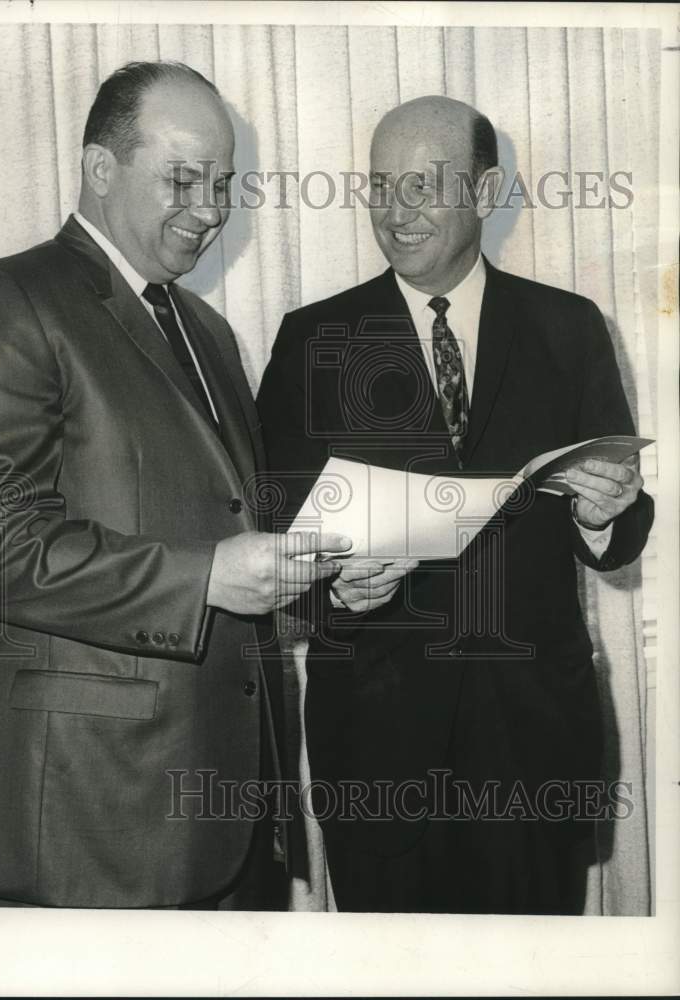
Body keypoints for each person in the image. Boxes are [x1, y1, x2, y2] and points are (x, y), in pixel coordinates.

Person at [0, 61, 349, 909]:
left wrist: (328, 581)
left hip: (227, 821)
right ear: (100, 169)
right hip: (92, 819)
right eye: (185, 178)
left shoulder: (208, 332)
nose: (211, 208)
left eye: (223, 183)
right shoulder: (7, 298)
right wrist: (207, 578)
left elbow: (227, 533)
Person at [256, 95, 654, 914]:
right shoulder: (312, 337)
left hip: (534, 746)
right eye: (380, 186)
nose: (395, 212)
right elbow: (268, 532)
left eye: (423, 186)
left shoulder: (570, 328)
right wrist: (333, 587)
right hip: (377, 752)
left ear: (484, 190)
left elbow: (620, 530)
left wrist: (601, 512)